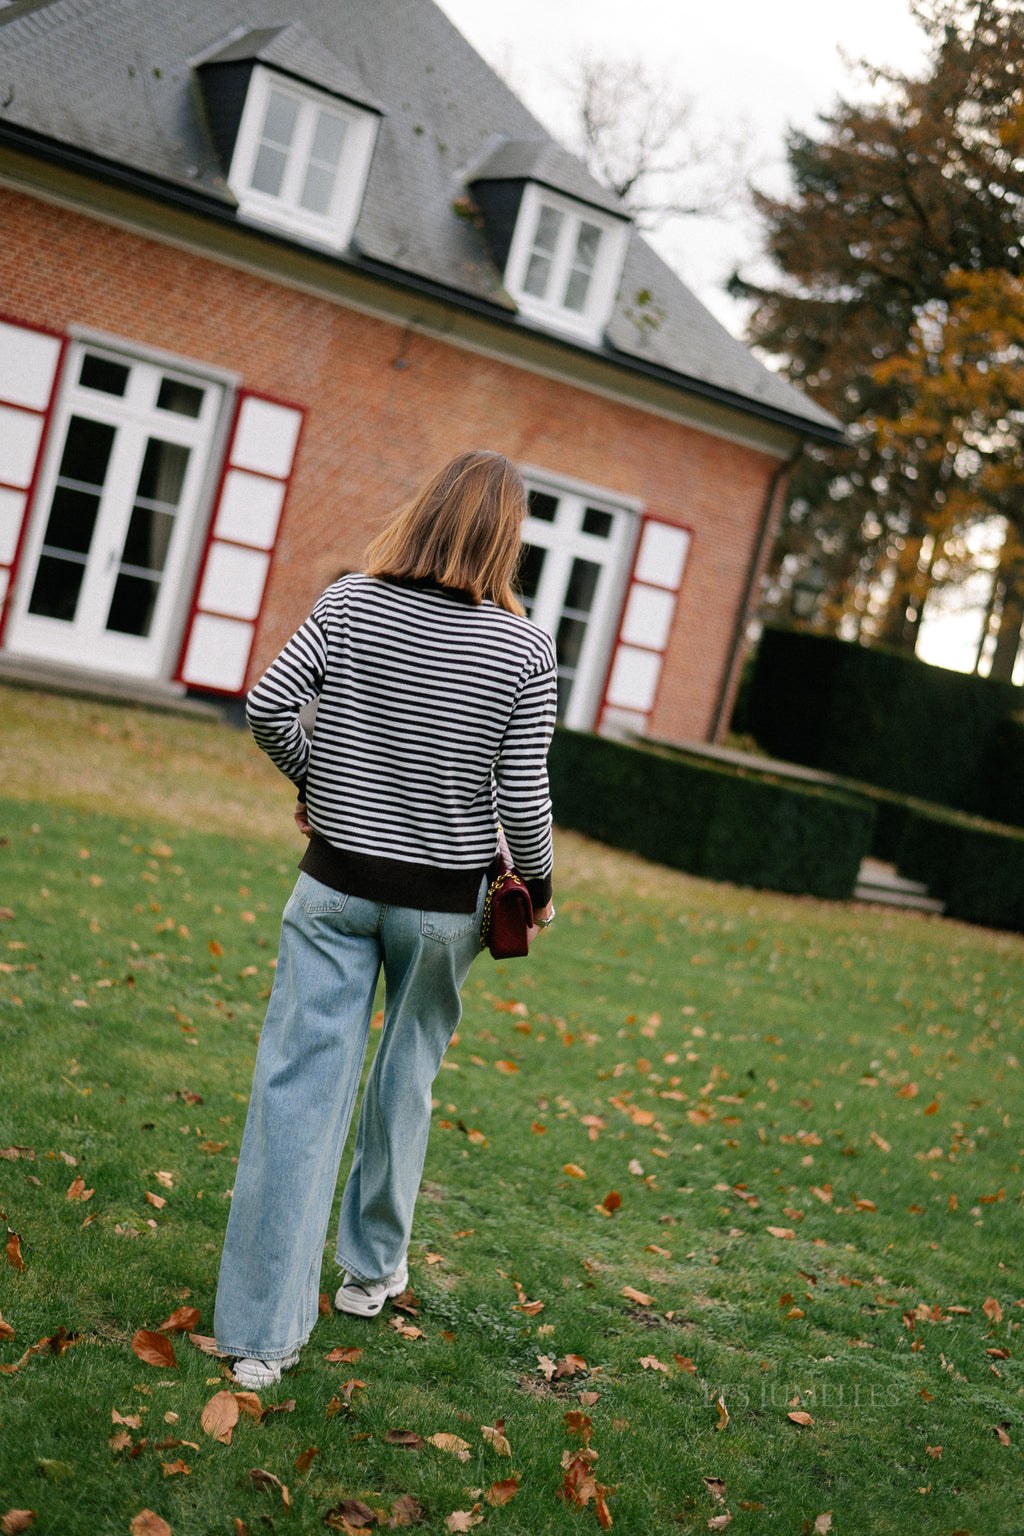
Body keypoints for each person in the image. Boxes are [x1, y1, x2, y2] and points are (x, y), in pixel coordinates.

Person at [213, 449, 557, 1388]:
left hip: (333, 885)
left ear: (427, 508)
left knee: (298, 1093)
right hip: (445, 909)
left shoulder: (352, 601)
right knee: (405, 1080)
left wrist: (315, 782)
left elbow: (270, 704)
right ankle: (369, 1275)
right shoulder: (526, 649)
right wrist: (541, 886)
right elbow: (523, 795)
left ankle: (258, 1340)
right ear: (508, 537)